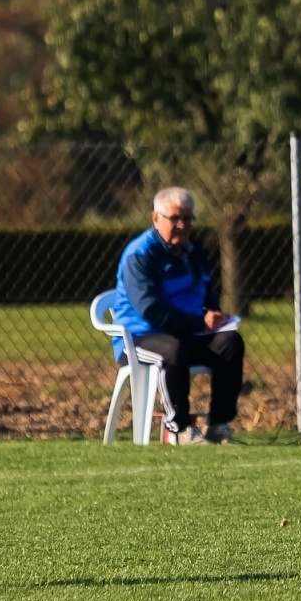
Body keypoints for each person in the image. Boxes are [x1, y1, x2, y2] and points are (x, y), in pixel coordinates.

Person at [110, 186, 243, 445]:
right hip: (140, 336)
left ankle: (219, 426)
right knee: (173, 350)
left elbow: (206, 290)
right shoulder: (140, 254)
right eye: (175, 218)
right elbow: (150, 309)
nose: (182, 225)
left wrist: (214, 313)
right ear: (155, 218)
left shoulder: (193, 251)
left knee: (230, 343)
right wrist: (198, 322)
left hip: (185, 332)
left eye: (188, 218)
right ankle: (179, 428)